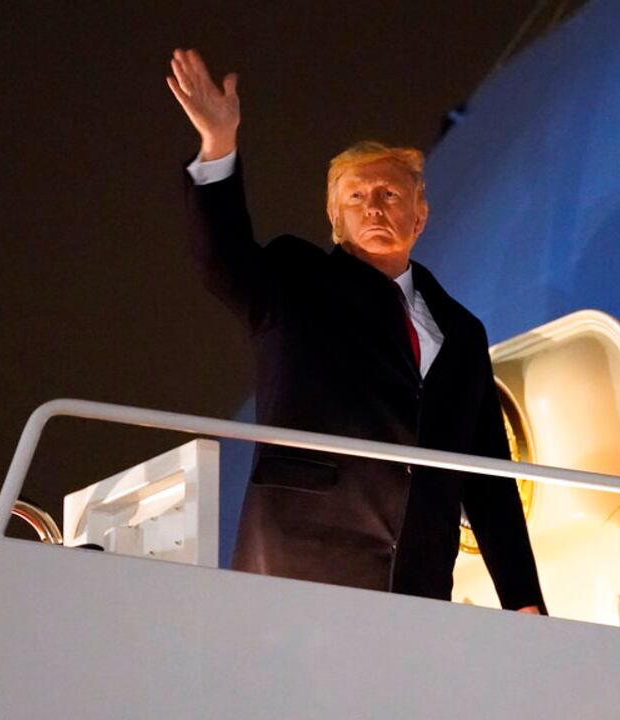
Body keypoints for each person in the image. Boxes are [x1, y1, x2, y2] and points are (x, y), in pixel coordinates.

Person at [167, 48, 544, 613]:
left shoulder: (462, 332)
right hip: (300, 567)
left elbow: (488, 476)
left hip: (415, 579)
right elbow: (221, 260)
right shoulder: (295, 280)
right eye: (356, 197)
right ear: (335, 219)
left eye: (389, 195)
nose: (373, 208)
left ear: (419, 215)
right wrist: (218, 145)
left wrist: (522, 597)